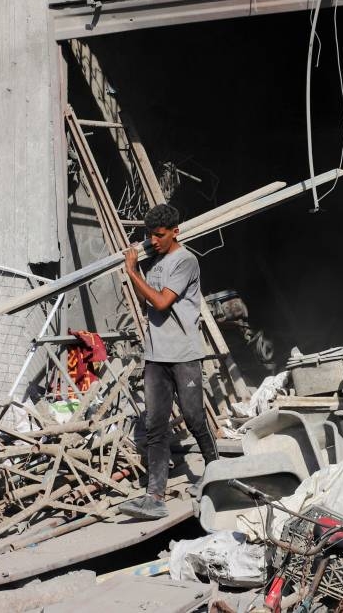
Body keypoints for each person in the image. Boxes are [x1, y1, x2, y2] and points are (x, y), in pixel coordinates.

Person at [118, 203, 219, 520]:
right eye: (150, 235)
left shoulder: (186, 261)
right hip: (155, 354)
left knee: (194, 418)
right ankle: (154, 496)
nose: (154, 240)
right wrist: (139, 275)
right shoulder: (156, 262)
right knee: (155, 425)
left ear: (175, 231)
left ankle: (216, 475)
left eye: (160, 235)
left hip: (184, 354)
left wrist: (133, 271)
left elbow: (160, 301)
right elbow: (145, 297)